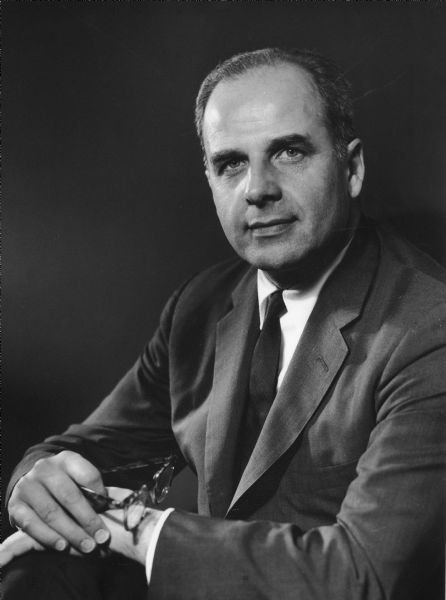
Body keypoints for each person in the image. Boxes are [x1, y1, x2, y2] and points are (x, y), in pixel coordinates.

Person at [1, 47, 445, 600]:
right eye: (230, 163)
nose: (257, 189)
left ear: (351, 168)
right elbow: (84, 450)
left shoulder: (429, 329)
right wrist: (34, 480)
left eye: (288, 152)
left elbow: (363, 577)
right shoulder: (201, 305)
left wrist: (139, 530)